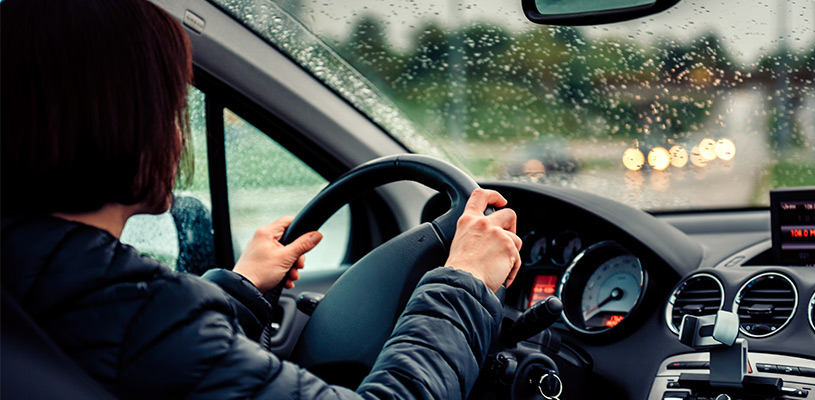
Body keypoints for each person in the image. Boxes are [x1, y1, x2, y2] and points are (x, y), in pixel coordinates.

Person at [0, 0, 522, 399]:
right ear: (123, 123)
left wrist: (240, 288)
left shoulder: (41, 283)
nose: (179, 138)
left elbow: (144, 356)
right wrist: (465, 282)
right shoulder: (141, 314)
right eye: (171, 110)